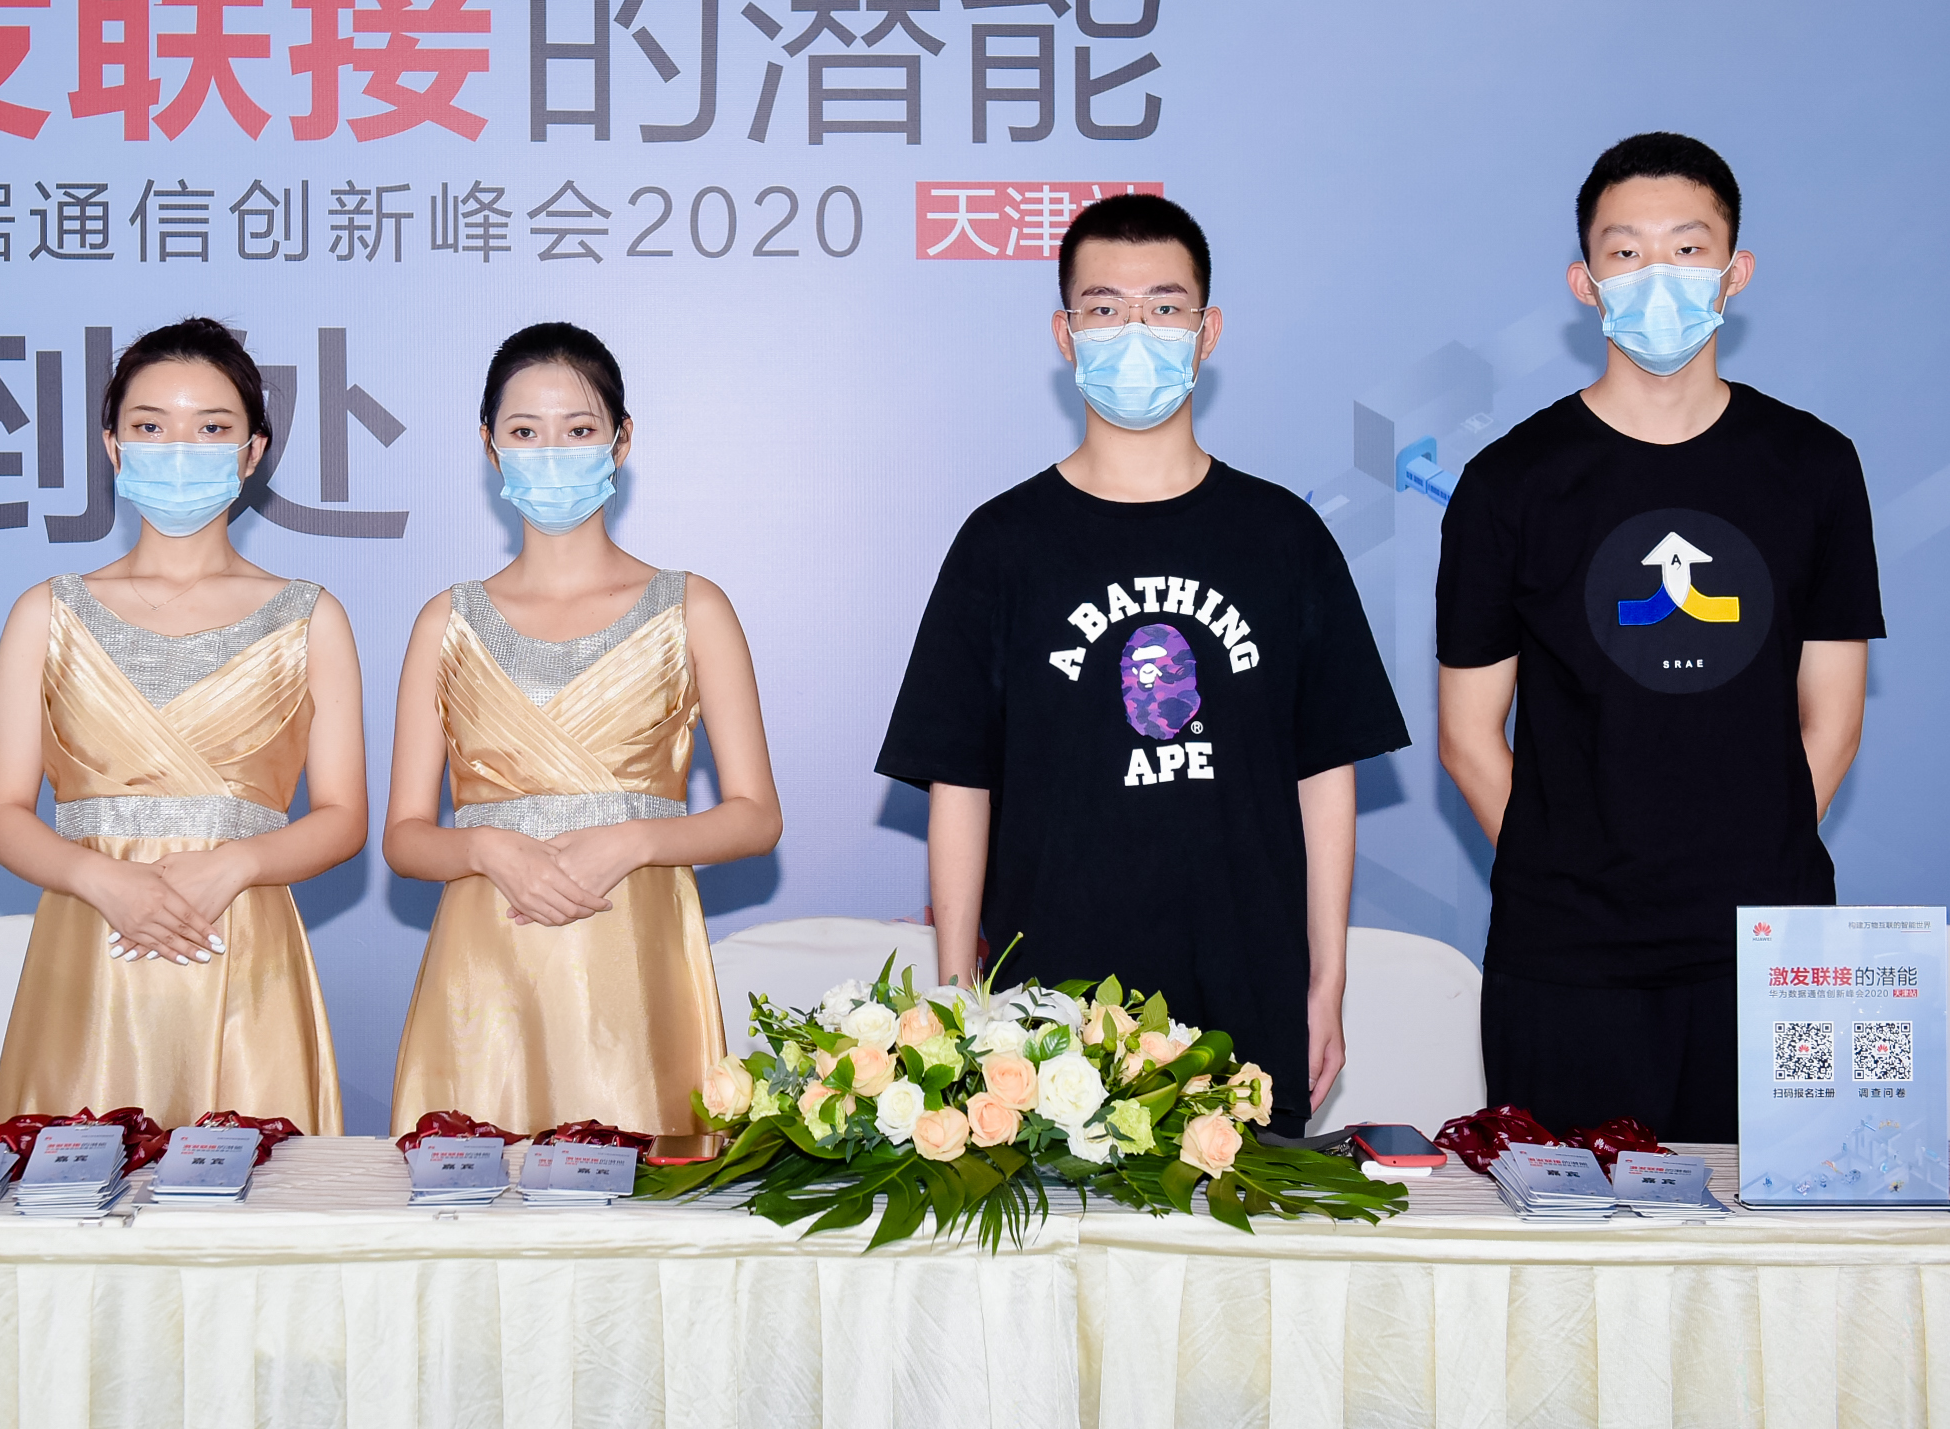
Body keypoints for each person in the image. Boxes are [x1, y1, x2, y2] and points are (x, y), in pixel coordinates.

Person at [876, 195, 1409, 1133]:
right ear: (1064, 333)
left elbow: (1325, 771)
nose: (1135, 333)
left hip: (1245, 998)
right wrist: (959, 997)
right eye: (1104, 307)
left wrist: (1324, 983)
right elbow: (958, 779)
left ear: (1207, 332)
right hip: (1044, 1024)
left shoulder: (1282, 536)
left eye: (1164, 307)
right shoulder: (1001, 544)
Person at [1437, 132, 1882, 1142]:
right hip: (1565, 966)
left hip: (1768, 955)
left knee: (1780, 1233)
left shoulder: (1812, 465)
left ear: (1734, 270)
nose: (1657, 276)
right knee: (1571, 1236)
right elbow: (1466, 736)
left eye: (1686, 249)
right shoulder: (1510, 481)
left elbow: (1833, 720)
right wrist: (1570, 874)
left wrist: (1749, 863)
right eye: (1625, 253)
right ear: (1584, 283)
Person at [385, 322, 782, 1137]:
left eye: (577, 430)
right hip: (485, 969)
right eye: (524, 432)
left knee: (642, 1191)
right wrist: (485, 848)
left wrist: (634, 840)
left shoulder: (692, 608)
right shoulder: (445, 623)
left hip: (635, 961)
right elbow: (405, 837)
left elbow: (755, 816)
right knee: (473, 1187)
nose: (550, 453)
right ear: (489, 446)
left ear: (621, 440)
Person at [0, 317, 361, 1132]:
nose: (179, 449)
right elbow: (2, 814)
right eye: (151, 426)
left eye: (211, 428)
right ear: (113, 446)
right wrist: (101, 880)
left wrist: (236, 866)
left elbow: (342, 816)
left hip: (243, 948)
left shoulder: (309, 618)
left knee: (255, 1188)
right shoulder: (46, 613)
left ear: (252, 453)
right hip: (89, 951)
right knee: (72, 1187)